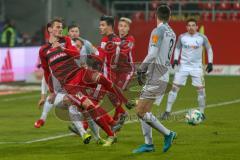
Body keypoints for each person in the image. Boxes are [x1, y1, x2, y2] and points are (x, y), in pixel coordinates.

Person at [39, 18, 132, 146]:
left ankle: (125, 103)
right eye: (57, 27)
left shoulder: (65, 41)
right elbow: (46, 72)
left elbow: (76, 53)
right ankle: (110, 134)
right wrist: (52, 91)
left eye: (61, 27)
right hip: (71, 85)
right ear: (50, 29)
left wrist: (63, 49)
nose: (60, 29)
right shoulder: (43, 50)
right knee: (89, 107)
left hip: (81, 73)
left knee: (102, 78)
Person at [132, 4, 177, 154]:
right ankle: (148, 144)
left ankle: (168, 134)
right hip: (162, 73)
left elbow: (153, 53)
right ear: (169, 17)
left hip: (156, 76)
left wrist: (141, 68)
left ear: (155, 16)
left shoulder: (158, 30)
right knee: (143, 107)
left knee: (140, 111)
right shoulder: (172, 33)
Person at [161, 18, 213, 120]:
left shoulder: (202, 37)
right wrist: (175, 59)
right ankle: (167, 112)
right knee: (174, 89)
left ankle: (202, 114)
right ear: (186, 27)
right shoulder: (182, 37)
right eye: (189, 25)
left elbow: (209, 49)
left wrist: (210, 62)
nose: (191, 27)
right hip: (183, 67)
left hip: (197, 67)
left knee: (201, 92)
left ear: (197, 27)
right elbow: (177, 48)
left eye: (193, 25)